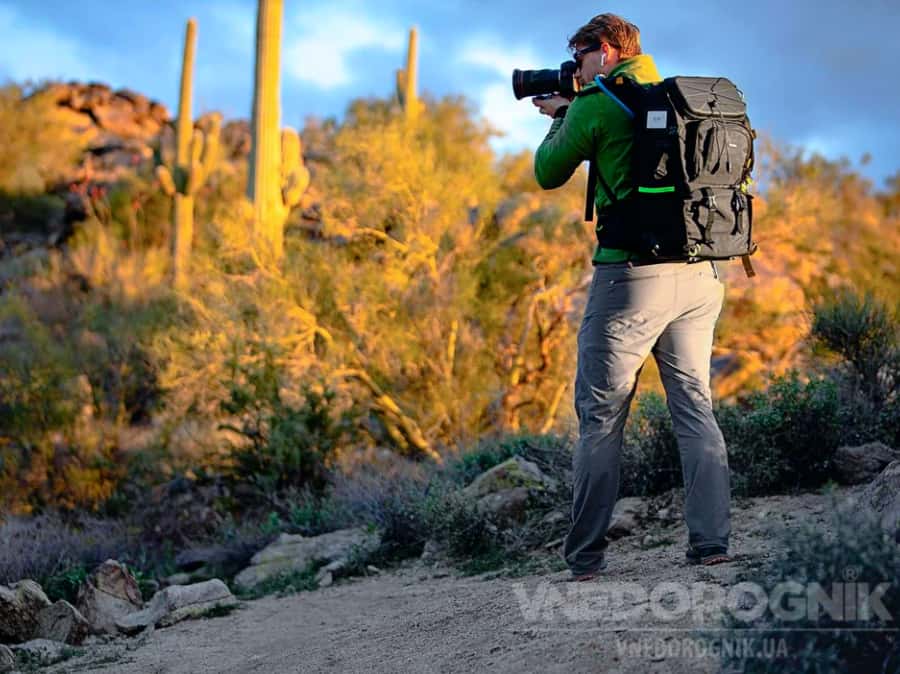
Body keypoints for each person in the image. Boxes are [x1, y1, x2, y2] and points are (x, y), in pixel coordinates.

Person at [532, 13, 732, 581]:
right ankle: (711, 544)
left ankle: (586, 556)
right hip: (699, 277)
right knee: (695, 406)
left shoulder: (597, 103)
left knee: (600, 417)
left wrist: (561, 118)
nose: (578, 63)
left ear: (612, 50)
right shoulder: (682, 98)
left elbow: (548, 172)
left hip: (629, 281)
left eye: (583, 52)